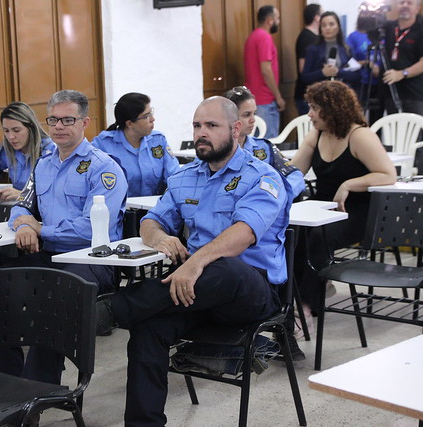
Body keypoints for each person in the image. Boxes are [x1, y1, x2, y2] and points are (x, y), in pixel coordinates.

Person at [104, 96, 290, 425]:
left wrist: (193, 263)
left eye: (211, 126)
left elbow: (244, 234)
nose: (201, 133)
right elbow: (150, 221)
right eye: (196, 125)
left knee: (227, 267)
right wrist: (162, 238)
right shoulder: (184, 177)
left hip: (251, 294)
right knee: (149, 328)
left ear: (235, 129)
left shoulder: (263, 177)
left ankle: (110, 310)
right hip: (197, 293)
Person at [0, 89, 128, 385]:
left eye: (67, 120)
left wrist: (40, 229)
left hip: (92, 259)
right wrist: (22, 226)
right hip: (51, 254)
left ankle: (38, 388)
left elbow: (90, 230)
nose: (58, 126)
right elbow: (23, 204)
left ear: (85, 122)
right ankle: (4, 378)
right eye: (53, 120)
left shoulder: (103, 168)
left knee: (54, 293)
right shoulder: (44, 164)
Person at [290, 80, 396, 335]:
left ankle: (305, 306)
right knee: (290, 233)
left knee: (318, 236)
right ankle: (296, 295)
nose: (309, 114)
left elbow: (388, 174)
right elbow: (294, 171)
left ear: (332, 108)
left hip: (358, 212)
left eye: (314, 108)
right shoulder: (317, 134)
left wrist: (351, 183)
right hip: (325, 208)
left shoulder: (359, 135)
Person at [224, 85, 306, 200]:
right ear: (229, 118)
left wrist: (279, 195)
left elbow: (295, 176)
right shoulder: (217, 150)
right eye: (246, 115)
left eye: (254, 114)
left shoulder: (264, 147)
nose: (253, 120)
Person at [92, 92, 179, 197]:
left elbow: (175, 176)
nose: (153, 119)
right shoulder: (103, 144)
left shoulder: (158, 141)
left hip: (156, 208)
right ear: (129, 123)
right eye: (146, 116)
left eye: (151, 113)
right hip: (121, 210)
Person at [0, 102, 54, 203]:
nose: (11, 137)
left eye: (16, 130)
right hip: (18, 209)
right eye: (6, 131)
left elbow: (54, 193)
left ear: (31, 128)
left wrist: (21, 194)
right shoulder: (6, 148)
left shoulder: (49, 149)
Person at [244, 5, 285, 139]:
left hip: (255, 99)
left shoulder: (253, 36)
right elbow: (266, 70)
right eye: (277, 18)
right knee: (268, 144)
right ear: (270, 20)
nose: (278, 22)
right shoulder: (264, 37)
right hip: (265, 100)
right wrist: (278, 96)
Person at [302, 12, 361, 92]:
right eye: (324, 25)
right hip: (320, 95)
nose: (327, 28)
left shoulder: (347, 49)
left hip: (343, 94)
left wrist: (338, 71)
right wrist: (322, 73)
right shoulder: (313, 49)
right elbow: (305, 78)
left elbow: (357, 76)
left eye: (331, 24)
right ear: (320, 29)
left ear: (338, 27)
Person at [382, 0, 423, 115]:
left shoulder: (420, 28)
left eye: (409, 3)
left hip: (414, 95)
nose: (405, 5)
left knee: (413, 132)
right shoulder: (389, 27)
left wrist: (402, 73)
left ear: (417, 8)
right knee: (393, 132)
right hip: (392, 92)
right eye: (402, 2)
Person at [347, 4, 385, 125]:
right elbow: (349, 63)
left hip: (380, 81)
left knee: (378, 119)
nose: (367, 16)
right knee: (358, 116)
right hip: (361, 82)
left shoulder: (382, 36)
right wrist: (368, 63)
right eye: (364, 13)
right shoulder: (353, 37)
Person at [294, 4, 322, 115]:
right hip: (306, 94)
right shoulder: (306, 37)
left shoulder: (316, 37)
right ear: (316, 17)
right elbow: (303, 69)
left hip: (315, 93)